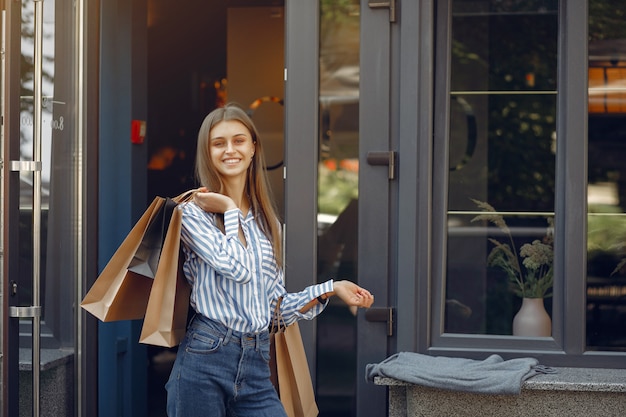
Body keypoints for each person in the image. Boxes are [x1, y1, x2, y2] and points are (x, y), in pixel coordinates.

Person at [165, 103, 374, 417]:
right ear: (207, 153)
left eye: (239, 140)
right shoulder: (192, 214)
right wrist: (229, 210)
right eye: (218, 143)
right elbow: (236, 268)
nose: (229, 149)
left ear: (253, 148)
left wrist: (332, 288)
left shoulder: (267, 223)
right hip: (205, 357)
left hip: (256, 362)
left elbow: (275, 308)